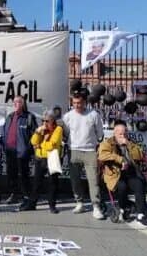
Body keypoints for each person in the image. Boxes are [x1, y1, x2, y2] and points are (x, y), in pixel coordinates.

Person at [98, 120, 147, 228]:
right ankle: (123, 207)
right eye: (120, 134)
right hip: (114, 175)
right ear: (115, 133)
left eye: (124, 133)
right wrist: (120, 159)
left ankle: (140, 215)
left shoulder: (130, 143)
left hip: (130, 173)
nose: (123, 136)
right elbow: (102, 156)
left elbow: (139, 155)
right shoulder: (108, 143)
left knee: (139, 183)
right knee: (122, 186)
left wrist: (128, 144)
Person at [63, 91, 105, 219]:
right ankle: (79, 202)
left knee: (93, 180)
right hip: (73, 150)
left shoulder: (93, 115)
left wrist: (97, 147)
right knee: (75, 180)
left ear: (85, 102)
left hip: (90, 151)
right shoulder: (68, 116)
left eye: (79, 103)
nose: (77, 105)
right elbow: (65, 134)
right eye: (74, 103)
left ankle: (96, 207)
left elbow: (100, 134)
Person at [18, 111, 63, 213]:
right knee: (36, 182)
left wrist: (41, 145)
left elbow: (53, 144)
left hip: (52, 157)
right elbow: (33, 142)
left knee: (52, 182)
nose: (44, 123)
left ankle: (52, 205)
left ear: (52, 120)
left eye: (47, 121)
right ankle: (32, 203)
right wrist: (38, 132)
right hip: (40, 157)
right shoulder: (42, 129)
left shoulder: (58, 129)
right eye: (43, 120)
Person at [1, 96, 37, 206]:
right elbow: (4, 131)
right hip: (10, 151)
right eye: (14, 102)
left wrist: (28, 149)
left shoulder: (29, 117)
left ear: (23, 104)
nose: (16, 104)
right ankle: (14, 195)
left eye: (18, 102)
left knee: (23, 175)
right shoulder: (10, 116)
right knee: (11, 174)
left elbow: (35, 135)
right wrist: (3, 143)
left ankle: (26, 196)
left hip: (22, 152)